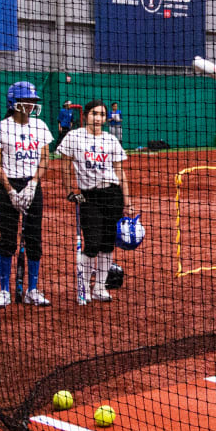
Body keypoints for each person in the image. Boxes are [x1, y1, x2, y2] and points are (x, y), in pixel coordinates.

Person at [56, 100, 137, 303]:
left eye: (101, 114)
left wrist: (127, 201)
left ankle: (100, 288)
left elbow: (120, 172)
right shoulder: (74, 137)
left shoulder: (111, 140)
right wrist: (70, 191)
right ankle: (82, 289)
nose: (98, 118)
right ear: (86, 116)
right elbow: (65, 166)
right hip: (88, 196)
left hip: (112, 194)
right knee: (91, 243)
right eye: (94, 114)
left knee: (107, 244)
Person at [0, 82, 54, 307]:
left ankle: (32, 289)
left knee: (34, 238)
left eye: (33, 101)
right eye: (27, 101)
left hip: (32, 186)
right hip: (9, 187)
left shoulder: (40, 126)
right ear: (14, 103)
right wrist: (10, 191)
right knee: (7, 238)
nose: (31, 105)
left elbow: (45, 158)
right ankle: (4, 290)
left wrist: (34, 183)